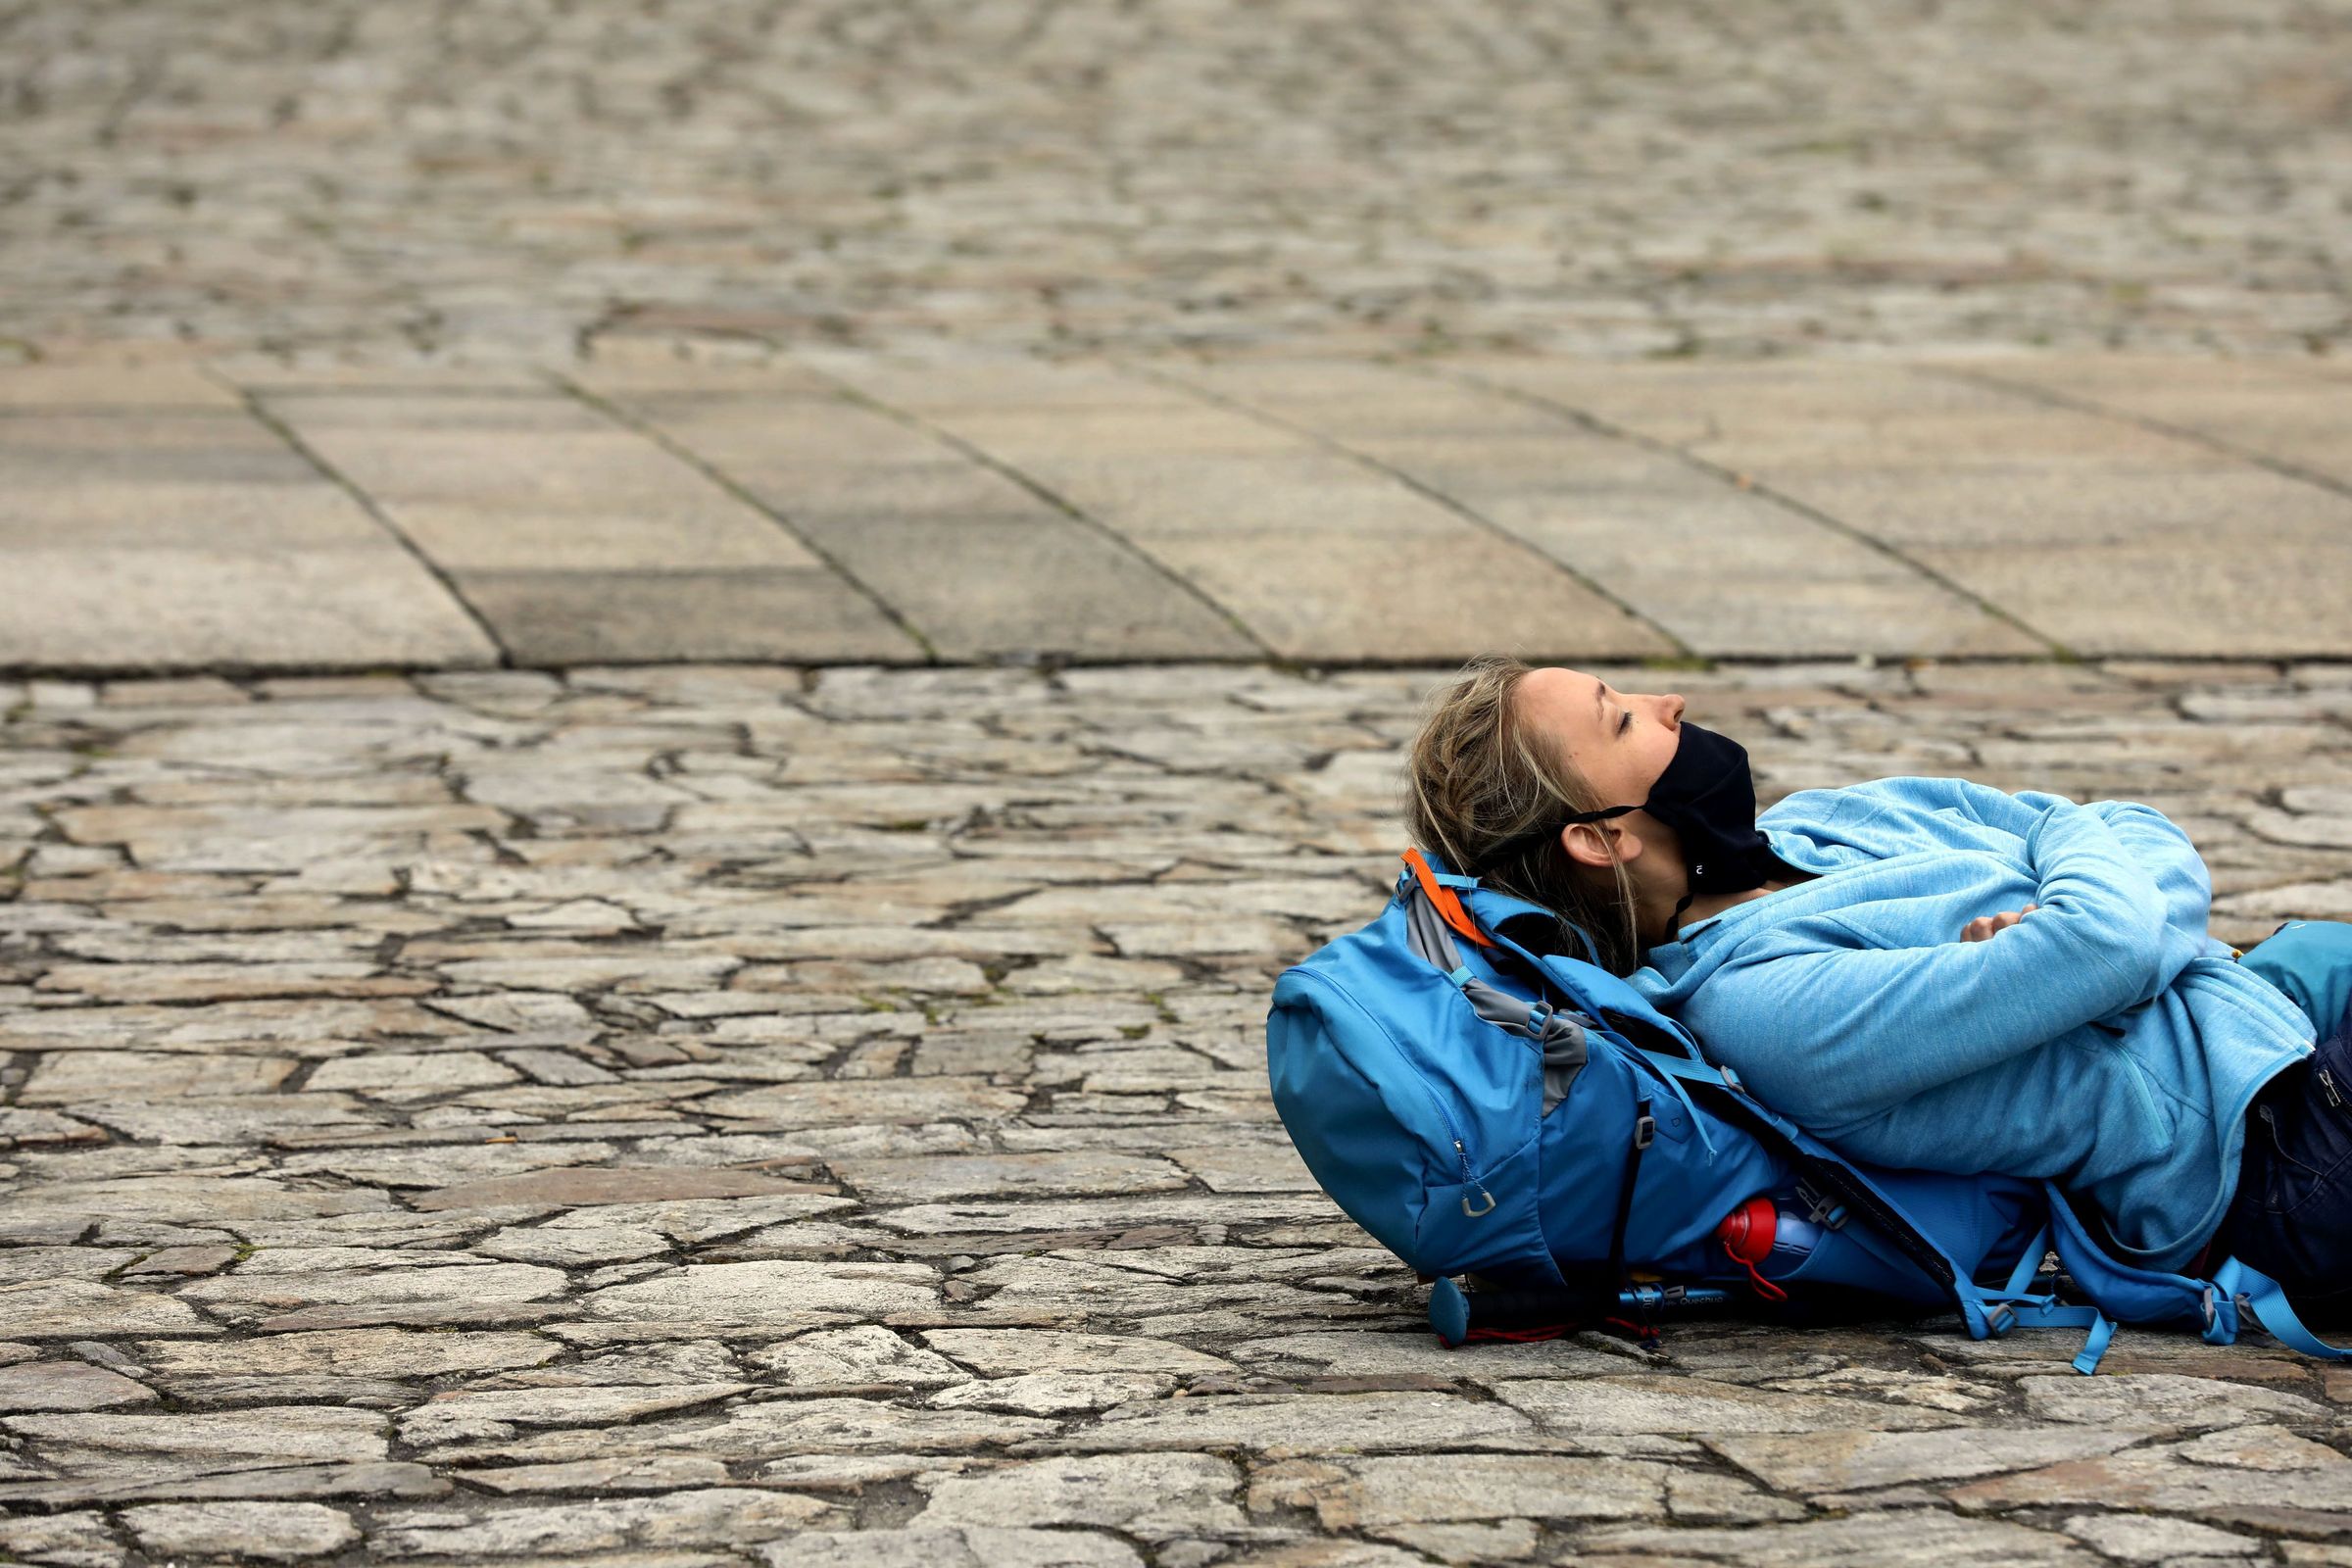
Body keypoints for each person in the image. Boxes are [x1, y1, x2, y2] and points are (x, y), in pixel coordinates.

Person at [1405, 655, 2352, 1308]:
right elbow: (2114, 924)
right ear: (1604, 837)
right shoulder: (1763, 1005)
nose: (1673, 704)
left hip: (2279, 1018)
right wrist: (2087, 893)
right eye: (1623, 718)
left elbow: (2135, 828)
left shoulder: (1831, 821)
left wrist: (2093, 906)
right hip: (2268, 1159)